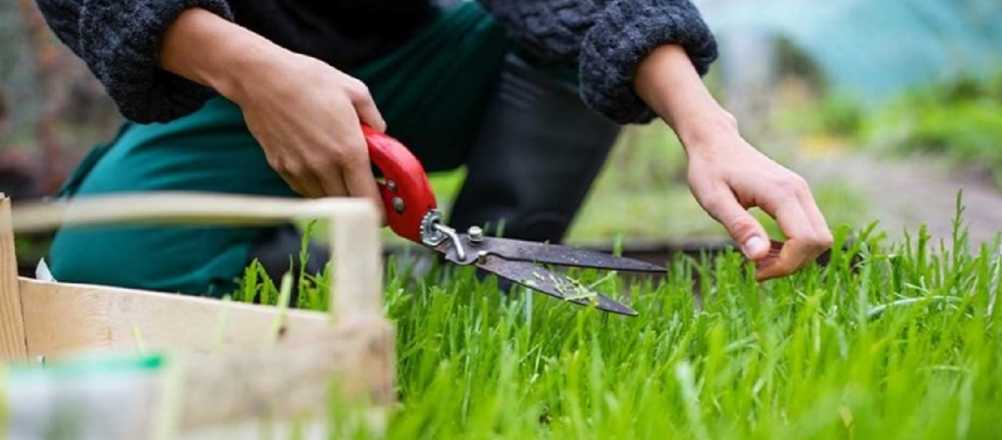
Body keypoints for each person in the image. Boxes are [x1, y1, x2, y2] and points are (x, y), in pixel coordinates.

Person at [36, 0, 832, 296]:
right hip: (220, 81)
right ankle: (297, 261)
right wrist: (252, 70)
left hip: (413, 68)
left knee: (577, 47)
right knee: (102, 283)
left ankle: (489, 271)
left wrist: (708, 128)